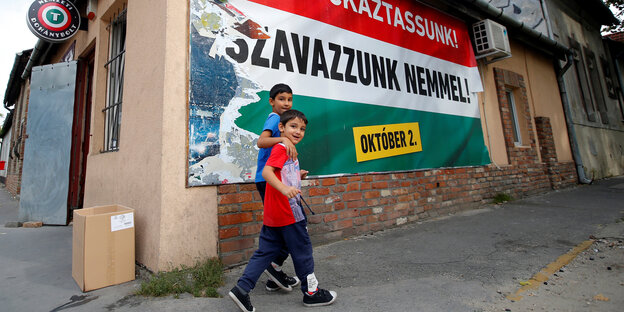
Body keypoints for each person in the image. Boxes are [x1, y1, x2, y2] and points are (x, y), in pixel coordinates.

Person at [230, 110, 337, 312]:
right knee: (303, 251)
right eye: (293, 126)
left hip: (274, 214)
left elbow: (281, 172)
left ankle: (241, 289)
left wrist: (297, 175)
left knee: (265, 252)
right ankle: (311, 294)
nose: (298, 131)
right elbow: (267, 172)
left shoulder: (286, 149)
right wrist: (286, 189)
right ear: (282, 128)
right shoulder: (281, 147)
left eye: (302, 128)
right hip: (288, 213)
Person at [254, 83, 300, 292]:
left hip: (272, 178)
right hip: (268, 179)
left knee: (283, 227)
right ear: (272, 101)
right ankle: (272, 266)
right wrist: (282, 138)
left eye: (289, 99)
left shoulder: (283, 122)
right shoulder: (274, 119)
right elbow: (261, 141)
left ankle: (274, 276)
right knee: (286, 227)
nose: (286, 103)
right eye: (282, 99)